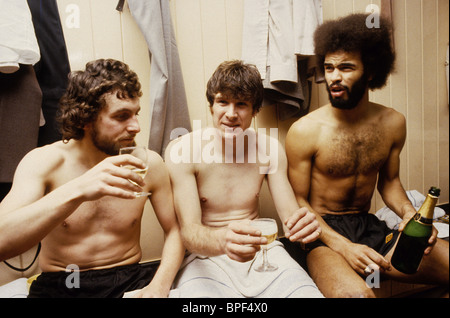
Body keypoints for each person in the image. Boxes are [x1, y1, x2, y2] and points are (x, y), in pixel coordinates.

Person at [285, 13, 449, 298]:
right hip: (320, 236)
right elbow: (298, 203)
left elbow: (390, 182)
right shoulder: (305, 131)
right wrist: (344, 247)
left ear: (371, 71)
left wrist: (410, 214)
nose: (335, 77)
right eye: (329, 68)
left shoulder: (393, 123)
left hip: (369, 226)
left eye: (346, 67)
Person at [0, 59, 185, 298]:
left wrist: (158, 287)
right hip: (62, 283)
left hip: (128, 280)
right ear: (85, 118)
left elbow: (176, 230)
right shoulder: (43, 162)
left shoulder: (148, 164)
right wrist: (79, 189)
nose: (136, 127)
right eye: (121, 116)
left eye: (136, 114)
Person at [165, 60, 323, 298]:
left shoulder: (269, 149)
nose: (231, 114)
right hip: (205, 257)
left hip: (262, 250)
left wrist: (302, 226)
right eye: (222, 102)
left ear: (255, 110)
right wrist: (222, 240)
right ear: (211, 105)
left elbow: (290, 216)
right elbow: (189, 232)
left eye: (241, 104)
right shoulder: (183, 151)